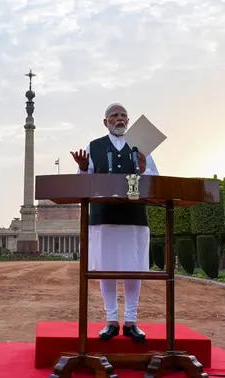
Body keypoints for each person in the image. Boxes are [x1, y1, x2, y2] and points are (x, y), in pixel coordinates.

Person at [70, 103, 159, 342]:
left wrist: (142, 169)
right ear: (105, 121)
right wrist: (81, 169)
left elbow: (156, 180)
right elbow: (84, 182)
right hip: (103, 216)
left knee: (134, 269)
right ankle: (111, 321)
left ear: (128, 121)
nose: (119, 119)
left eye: (123, 115)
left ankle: (131, 321)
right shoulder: (94, 146)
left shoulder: (142, 145)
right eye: (114, 115)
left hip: (134, 216)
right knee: (105, 269)